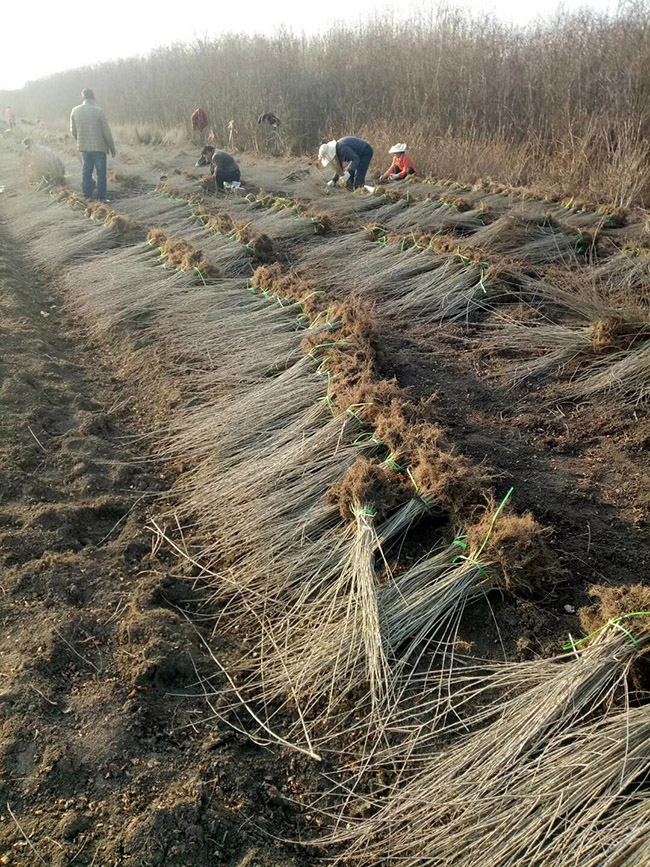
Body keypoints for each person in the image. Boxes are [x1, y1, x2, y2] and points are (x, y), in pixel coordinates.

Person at [69, 88, 116, 202]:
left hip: (84, 147)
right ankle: (102, 197)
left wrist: (80, 139)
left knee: (86, 171)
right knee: (101, 173)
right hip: (99, 147)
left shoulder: (75, 110)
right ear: (93, 97)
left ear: (83, 97)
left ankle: (86, 196)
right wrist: (112, 147)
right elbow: (106, 132)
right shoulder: (99, 111)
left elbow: (73, 131)